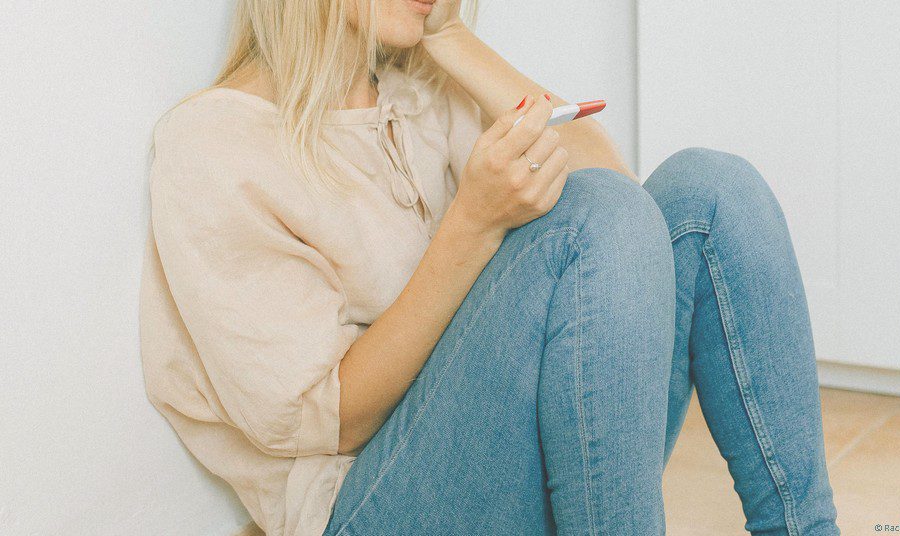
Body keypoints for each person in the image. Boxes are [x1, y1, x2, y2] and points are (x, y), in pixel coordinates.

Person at [140, 1, 840, 534]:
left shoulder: (413, 92)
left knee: (710, 190)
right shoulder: (213, 144)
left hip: (509, 455)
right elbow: (330, 421)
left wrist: (446, 35)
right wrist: (472, 225)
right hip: (365, 504)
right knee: (594, 218)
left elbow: (622, 204)